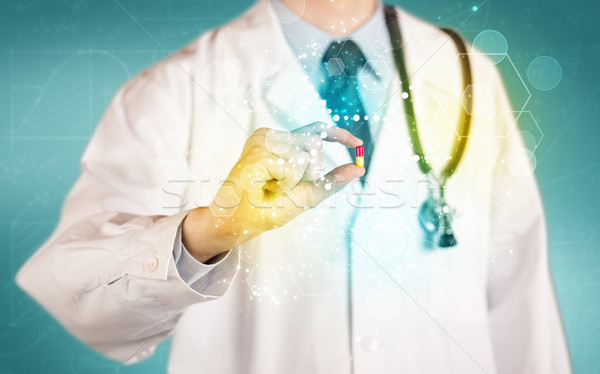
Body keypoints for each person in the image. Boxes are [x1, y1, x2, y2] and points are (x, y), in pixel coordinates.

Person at [17, 0, 572, 372]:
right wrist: (208, 232)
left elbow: (521, 299)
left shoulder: (466, 73)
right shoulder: (171, 89)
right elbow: (77, 293)